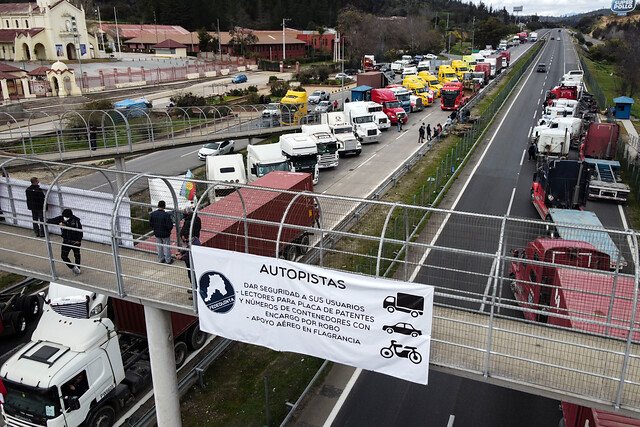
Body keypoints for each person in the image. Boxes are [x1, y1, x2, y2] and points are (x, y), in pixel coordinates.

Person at [46, 208, 83, 275]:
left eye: (66, 217)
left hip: (75, 241)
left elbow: (80, 231)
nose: (65, 218)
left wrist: (79, 240)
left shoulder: (76, 221)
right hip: (66, 241)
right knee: (64, 256)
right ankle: (73, 267)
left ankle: (78, 269)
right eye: (64, 217)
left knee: (77, 255)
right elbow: (53, 220)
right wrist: (46, 221)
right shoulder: (61, 218)